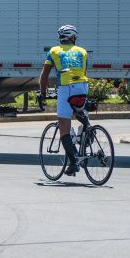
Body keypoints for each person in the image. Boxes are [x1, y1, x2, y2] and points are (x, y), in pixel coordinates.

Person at [38, 25, 89, 176]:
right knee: (80, 111)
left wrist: (42, 92)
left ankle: (74, 162)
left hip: (66, 88)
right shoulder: (82, 51)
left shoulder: (53, 51)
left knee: (64, 126)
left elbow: (44, 75)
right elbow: (83, 71)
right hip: (83, 86)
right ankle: (86, 133)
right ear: (73, 38)